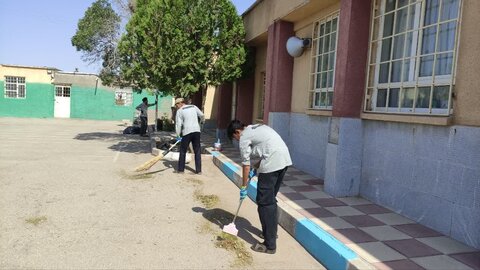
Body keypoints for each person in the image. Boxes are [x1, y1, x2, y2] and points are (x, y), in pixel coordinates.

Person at [227, 120, 292, 254]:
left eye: (235, 137)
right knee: (270, 201)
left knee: (264, 203)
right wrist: (255, 169)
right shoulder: (254, 128)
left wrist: (243, 186)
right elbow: (265, 148)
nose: (237, 140)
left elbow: (245, 165)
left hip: (271, 164)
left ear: (237, 132)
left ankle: (269, 245)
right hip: (284, 161)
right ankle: (271, 233)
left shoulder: (244, 137)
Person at [175, 98, 204, 174]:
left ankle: (181, 170)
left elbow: (178, 124)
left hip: (187, 132)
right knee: (197, 151)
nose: (177, 106)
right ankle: (199, 171)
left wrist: (178, 135)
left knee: (183, 150)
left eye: (176, 105)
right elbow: (202, 115)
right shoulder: (194, 107)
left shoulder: (180, 111)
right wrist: (201, 123)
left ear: (180, 103)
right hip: (196, 131)